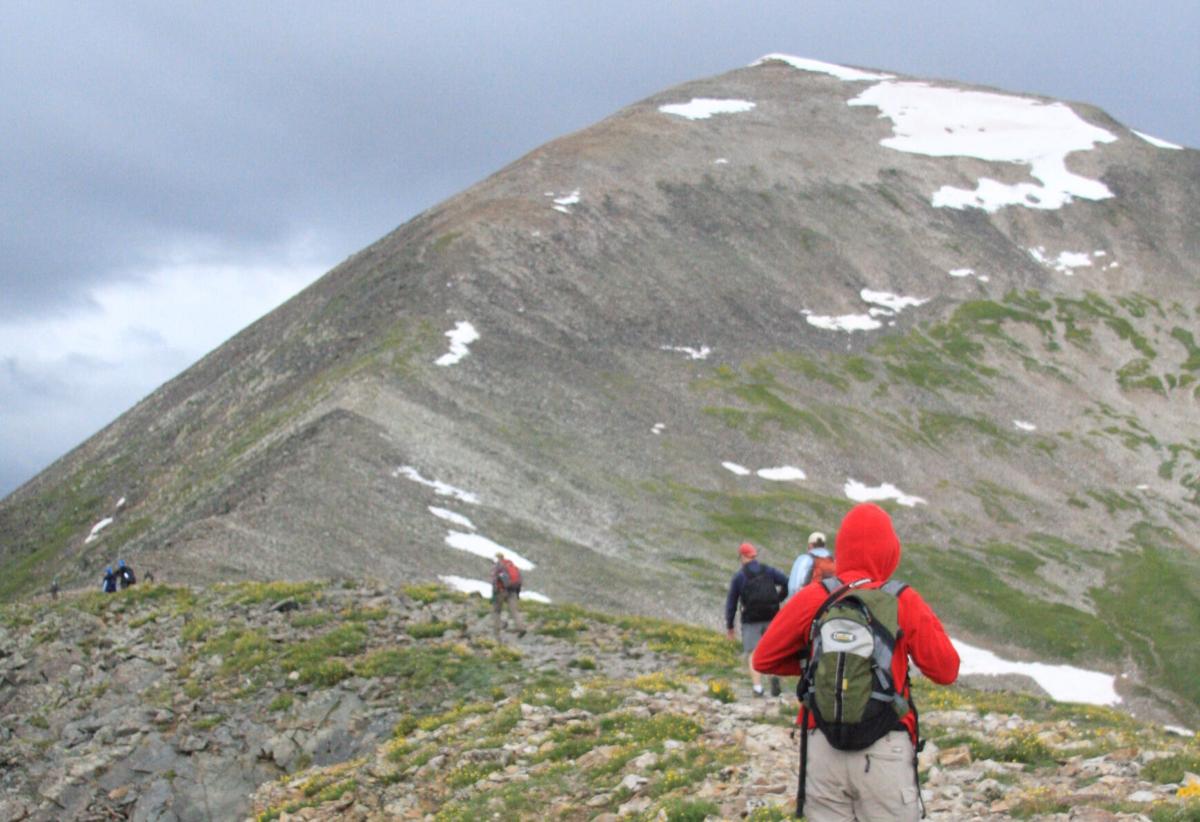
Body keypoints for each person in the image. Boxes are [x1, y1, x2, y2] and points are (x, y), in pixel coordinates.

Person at [754, 503, 960, 822]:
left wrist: (820, 667)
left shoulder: (815, 596)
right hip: (885, 749)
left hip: (822, 744)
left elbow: (764, 658)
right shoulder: (901, 599)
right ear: (890, 552)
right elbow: (946, 670)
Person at [724, 542, 788, 697]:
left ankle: (758, 688)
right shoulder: (769, 571)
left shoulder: (739, 577)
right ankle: (774, 676)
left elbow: (732, 603)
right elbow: (787, 582)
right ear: (754, 555)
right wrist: (779, 599)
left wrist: (730, 626)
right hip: (771, 616)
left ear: (743, 556)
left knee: (753, 653)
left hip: (750, 619)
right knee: (771, 649)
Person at [787, 531, 834, 599]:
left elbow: (794, 587)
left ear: (810, 545)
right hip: (825, 601)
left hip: (806, 599)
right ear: (824, 546)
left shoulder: (805, 559)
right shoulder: (832, 561)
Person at [490, 552, 526, 640]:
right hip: (513, 591)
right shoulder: (511, 565)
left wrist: (494, 594)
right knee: (514, 611)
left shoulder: (498, 566)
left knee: (496, 611)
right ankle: (521, 627)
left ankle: (496, 634)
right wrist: (517, 593)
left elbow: (495, 581)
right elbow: (519, 579)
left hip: (501, 591)